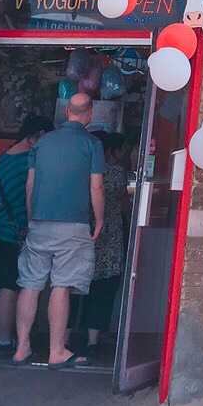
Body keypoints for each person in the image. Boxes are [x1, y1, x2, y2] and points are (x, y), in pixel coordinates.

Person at [13, 93, 103, 370]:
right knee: (61, 286)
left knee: (30, 284)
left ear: (66, 112)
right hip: (73, 224)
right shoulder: (92, 143)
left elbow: (29, 184)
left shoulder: (42, 142)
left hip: (40, 222)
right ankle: (57, 351)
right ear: (89, 114)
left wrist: (32, 216)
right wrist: (99, 220)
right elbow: (96, 186)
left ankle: (21, 348)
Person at [0, 114, 52, 355]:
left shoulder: (3, 157)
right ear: (40, 135)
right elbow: (30, 196)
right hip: (16, 231)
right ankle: (4, 340)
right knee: (10, 285)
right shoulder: (29, 160)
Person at [76, 132, 128, 355]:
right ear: (111, 151)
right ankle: (93, 339)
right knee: (104, 287)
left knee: (74, 285)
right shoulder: (116, 172)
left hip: (82, 233)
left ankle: (67, 334)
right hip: (109, 236)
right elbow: (124, 202)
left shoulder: (80, 171)